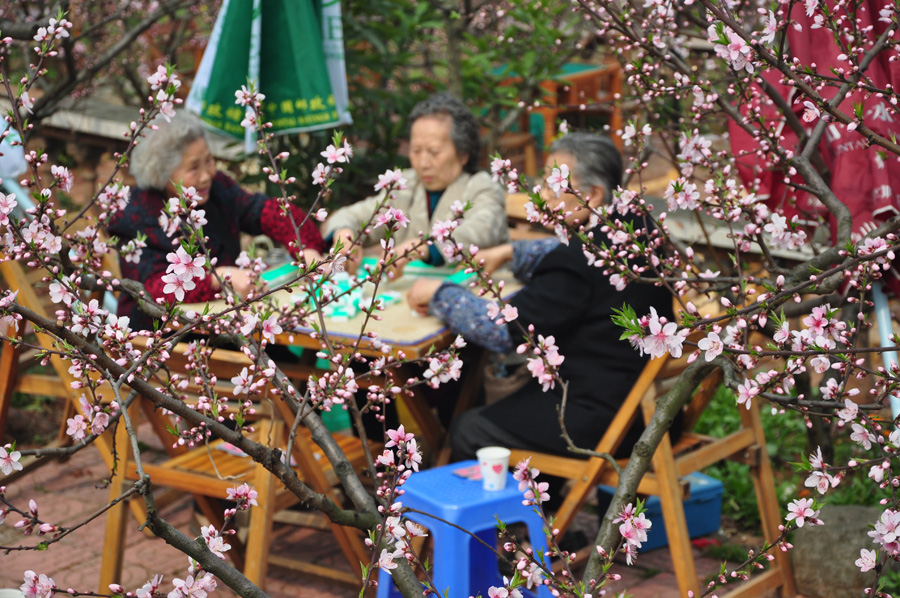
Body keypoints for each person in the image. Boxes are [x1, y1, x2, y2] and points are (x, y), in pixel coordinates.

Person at [406, 132, 677, 464]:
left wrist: (440, 294)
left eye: (554, 185)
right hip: (649, 407)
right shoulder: (637, 229)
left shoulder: (575, 264)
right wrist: (510, 252)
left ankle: (533, 514)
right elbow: (566, 253)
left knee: (471, 427)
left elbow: (501, 329)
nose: (542, 195)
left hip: (604, 419)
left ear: (592, 194)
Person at [109, 112, 327, 331]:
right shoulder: (135, 216)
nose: (207, 174)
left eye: (209, 160)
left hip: (227, 320)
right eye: (194, 167)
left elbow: (261, 211)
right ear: (162, 173)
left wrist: (304, 246)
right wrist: (218, 278)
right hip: (164, 337)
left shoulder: (216, 189)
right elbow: (152, 291)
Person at [322, 92, 507, 275]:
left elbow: (481, 230)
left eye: (434, 152)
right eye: (416, 150)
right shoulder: (404, 185)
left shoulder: (482, 187)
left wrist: (419, 248)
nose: (423, 163)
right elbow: (350, 216)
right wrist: (344, 235)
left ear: (463, 153)